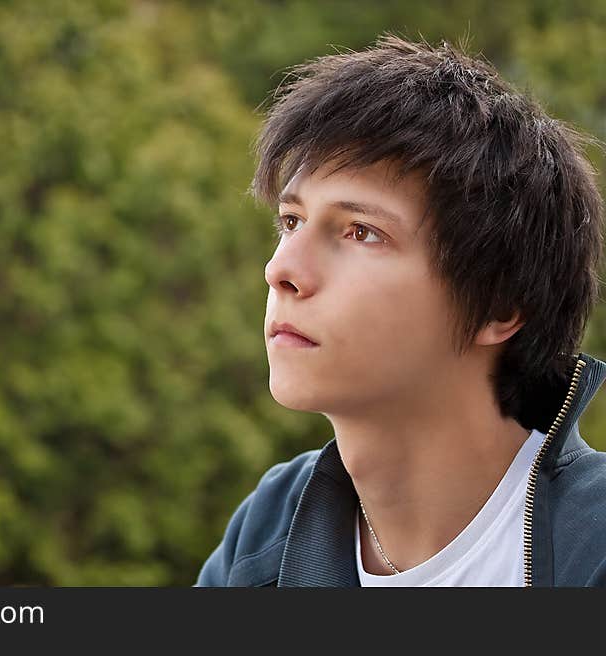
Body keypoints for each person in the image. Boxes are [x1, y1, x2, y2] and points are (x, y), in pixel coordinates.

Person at [194, 34, 606, 587]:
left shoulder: (591, 549)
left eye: (361, 232)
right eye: (291, 221)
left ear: (500, 305)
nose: (281, 270)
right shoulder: (270, 533)